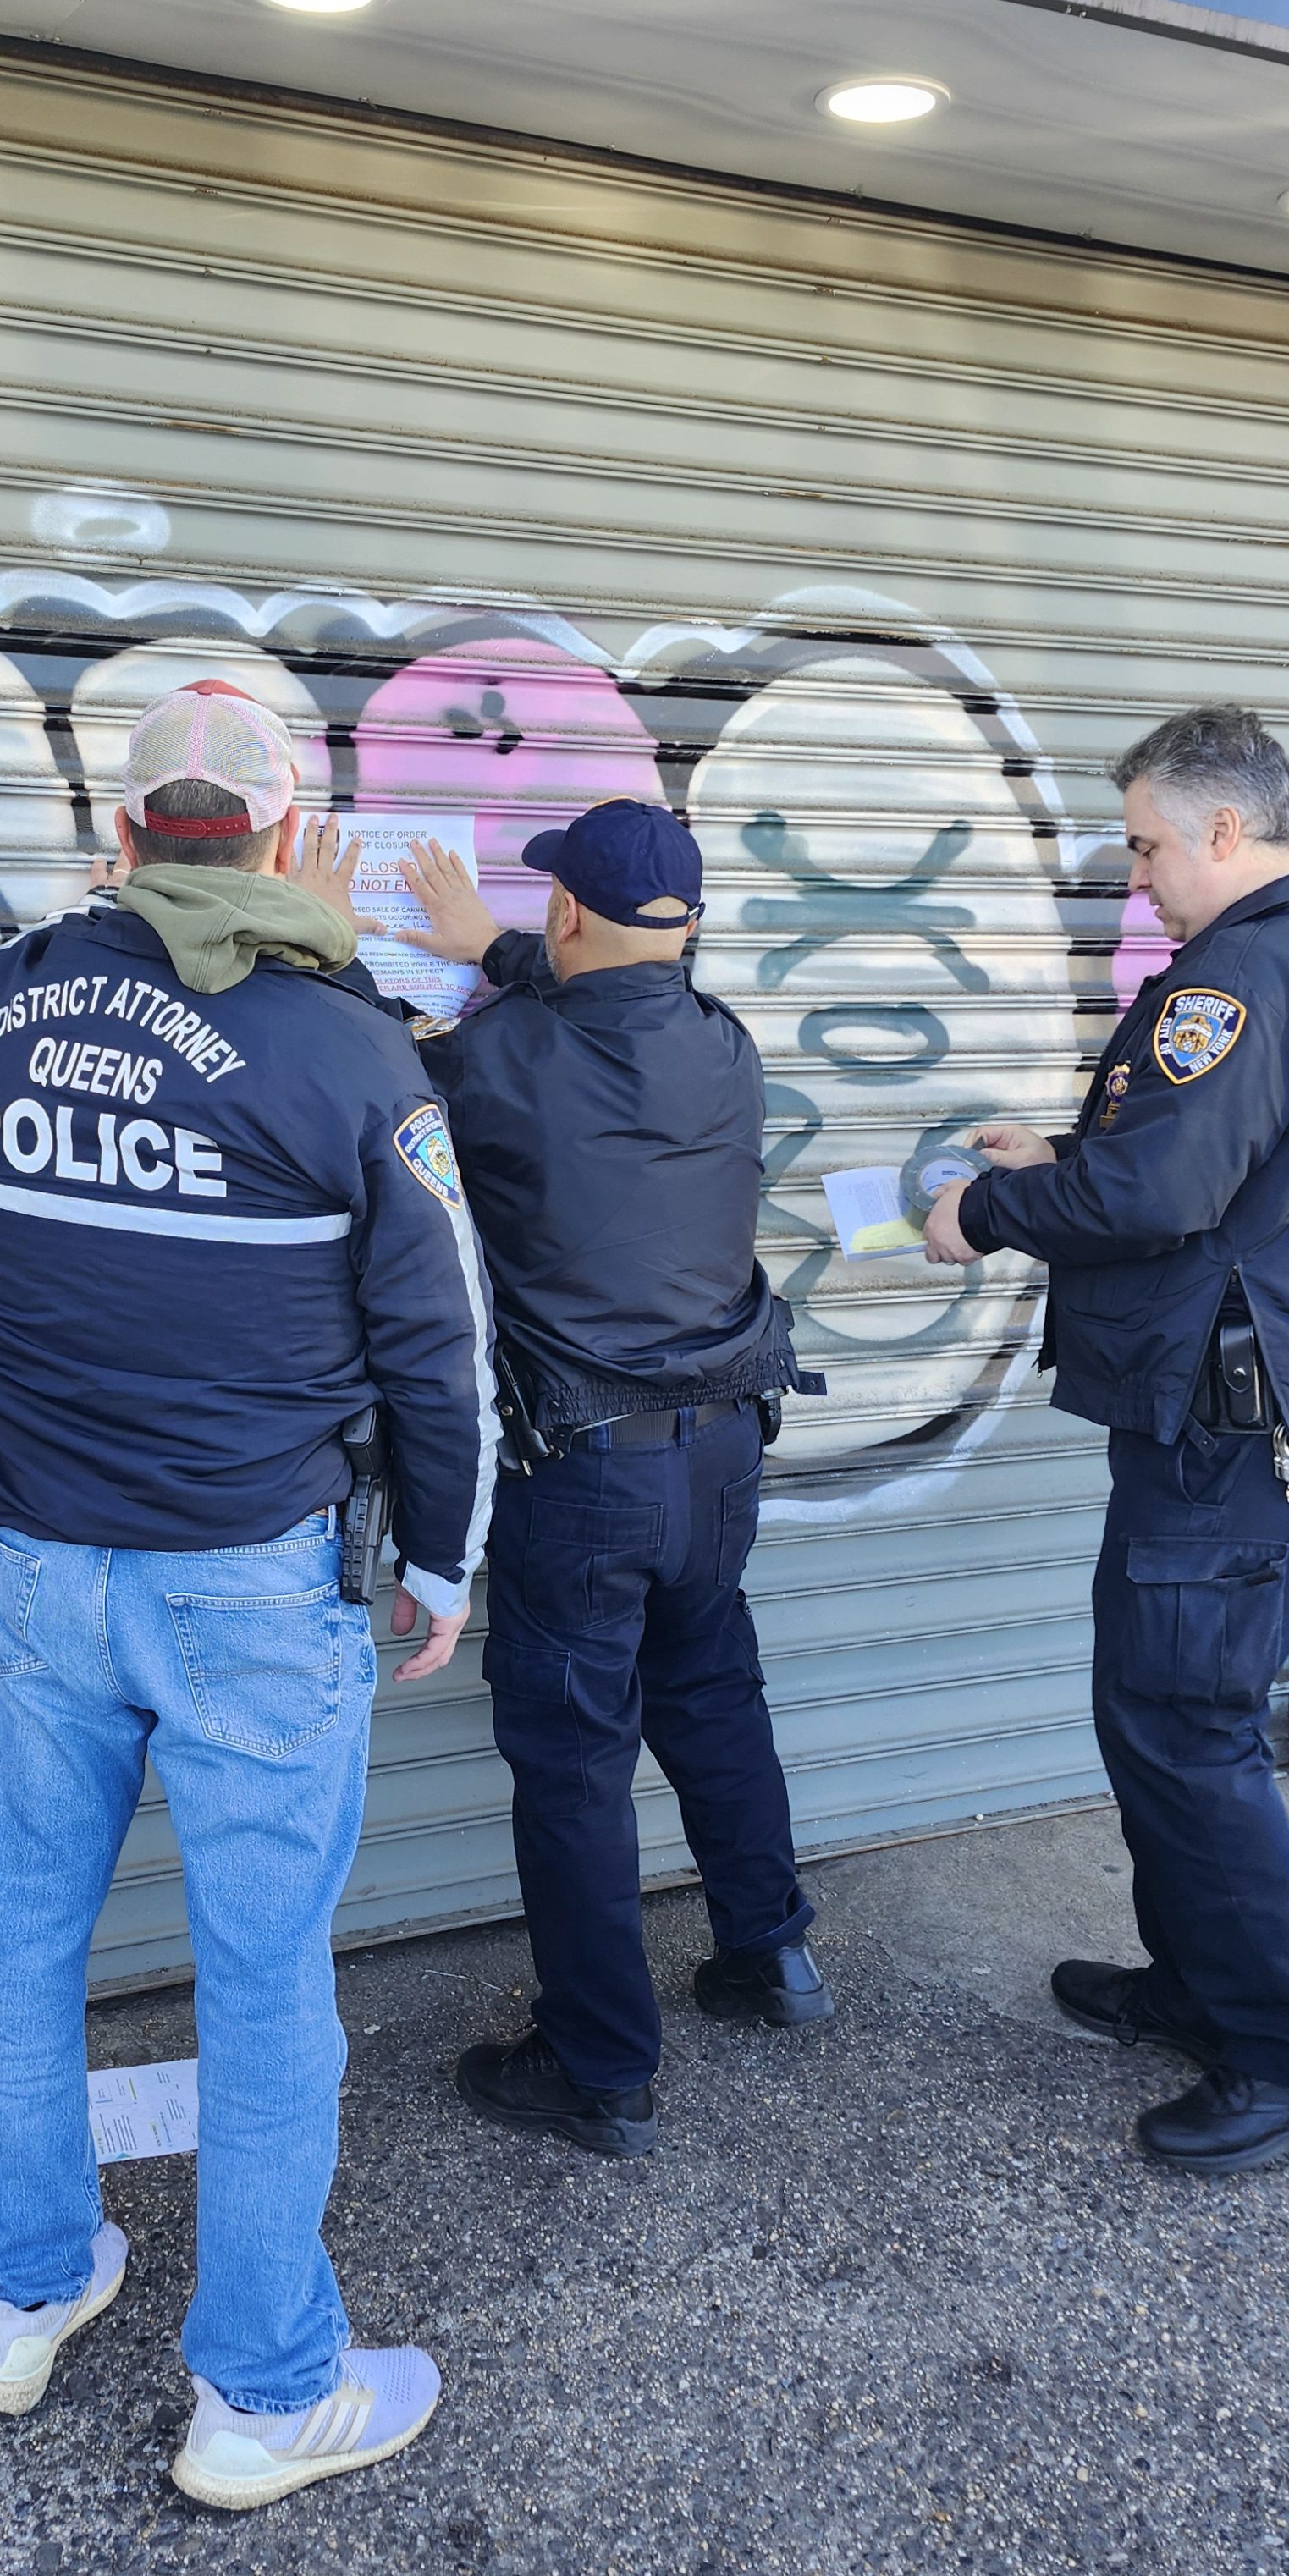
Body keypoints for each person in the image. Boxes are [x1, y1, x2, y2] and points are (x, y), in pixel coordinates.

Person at [0, 679, 499, 2507]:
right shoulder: (350, 1049)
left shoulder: (0, 1000)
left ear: (117, 832)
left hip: (33, 1563)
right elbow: (440, 1339)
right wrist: (441, 1560)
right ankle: (261, 2391)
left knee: (23, 1926)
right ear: (277, 835)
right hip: (247, 1580)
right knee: (264, 1979)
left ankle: (21, 2297)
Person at [921, 705, 1289, 2176]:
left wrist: (987, 1212)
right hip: (1240, 1418)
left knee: (1189, 1731)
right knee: (1156, 1713)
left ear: (1222, 830)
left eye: (1145, 845)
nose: (1136, 876)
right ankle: (1200, 1987)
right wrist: (1064, 1158)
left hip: (1243, 1437)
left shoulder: (1244, 978)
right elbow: (1203, 1175)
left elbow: (1162, 1202)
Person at [353, 797, 828, 2164]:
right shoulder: (725, 1048)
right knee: (715, 1691)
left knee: (572, 1768)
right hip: (724, 1457)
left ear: (565, 912)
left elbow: (375, 1080)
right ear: (687, 926)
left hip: (589, 1473)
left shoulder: (496, 1064)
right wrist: (504, 950)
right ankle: (772, 1957)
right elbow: (610, 1009)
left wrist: (367, 951)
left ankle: (601, 2069)